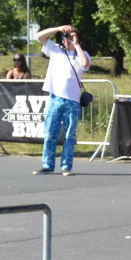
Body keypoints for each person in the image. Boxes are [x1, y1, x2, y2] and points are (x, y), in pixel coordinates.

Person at [33, 24, 91, 176]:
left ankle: (66, 166)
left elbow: (85, 65)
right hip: (55, 98)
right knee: (50, 133)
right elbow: (39, 36)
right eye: (65, 37)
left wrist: (76, 43)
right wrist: (59, 28)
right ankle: (47, 165)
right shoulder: (56, 50)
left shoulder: (81, 54)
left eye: (70, 36)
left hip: (72, 101)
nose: (67, 39)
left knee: (69, 135)